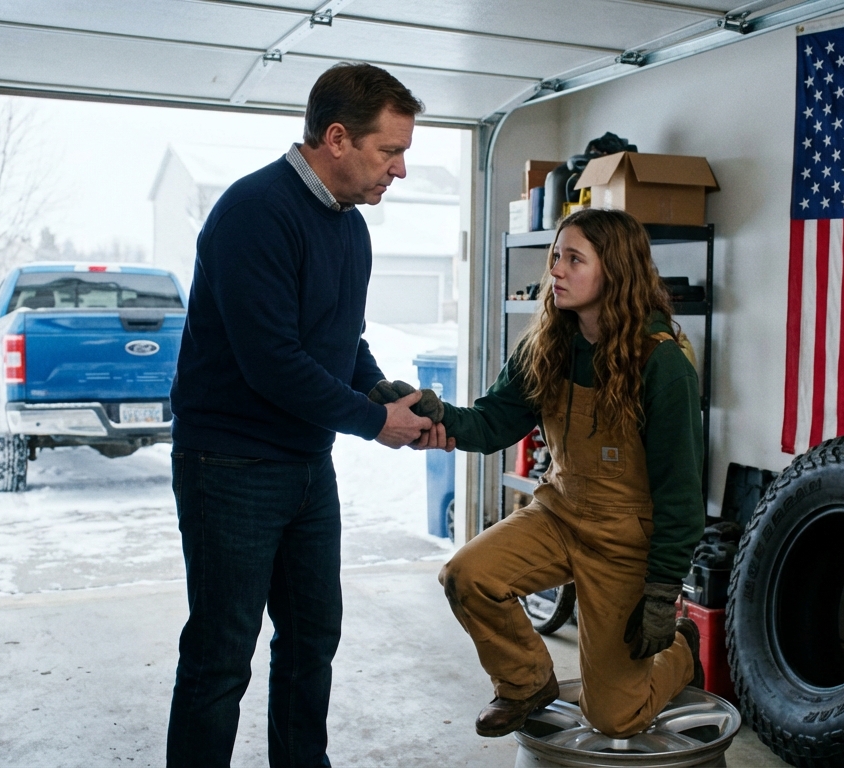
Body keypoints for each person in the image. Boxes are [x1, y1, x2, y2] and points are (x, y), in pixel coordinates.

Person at [165, 63, 432, 768]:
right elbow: (273, 362)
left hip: (305, 466)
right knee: (222, 655)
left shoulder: (350, 227)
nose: (400, 170)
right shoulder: (256, 212)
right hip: (229, 464)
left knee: (313, 638)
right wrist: (376, 424)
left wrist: (381, 393)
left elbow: (341, 338)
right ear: (337, 138)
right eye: (390, 151)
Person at [417, 207, 707, 739]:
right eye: (556, 256)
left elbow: (682, 492)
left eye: (574, 259)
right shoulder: (547, 344)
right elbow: (492, 422)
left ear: (614, 272)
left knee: (615, 719)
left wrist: (663, 592)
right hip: (558, 513)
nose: (556, 270)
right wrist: (437, 414)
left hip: (625, 542)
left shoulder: (661, 364)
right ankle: (526, 682)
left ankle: (682, 653)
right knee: (468, 575)